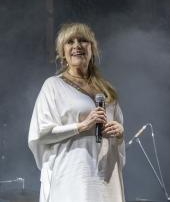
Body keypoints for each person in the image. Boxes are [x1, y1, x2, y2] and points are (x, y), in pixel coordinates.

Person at [28, 23, 125, 202]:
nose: (77, 45)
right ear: (62, 53)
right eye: (69, 42)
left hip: (105, 175)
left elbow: (118, 133)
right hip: (72, 175)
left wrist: (119, 131)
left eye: (83, 40)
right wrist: (81, 126)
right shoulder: (53, 86)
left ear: (92, 49)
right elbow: (41, 133)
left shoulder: (107, 90)